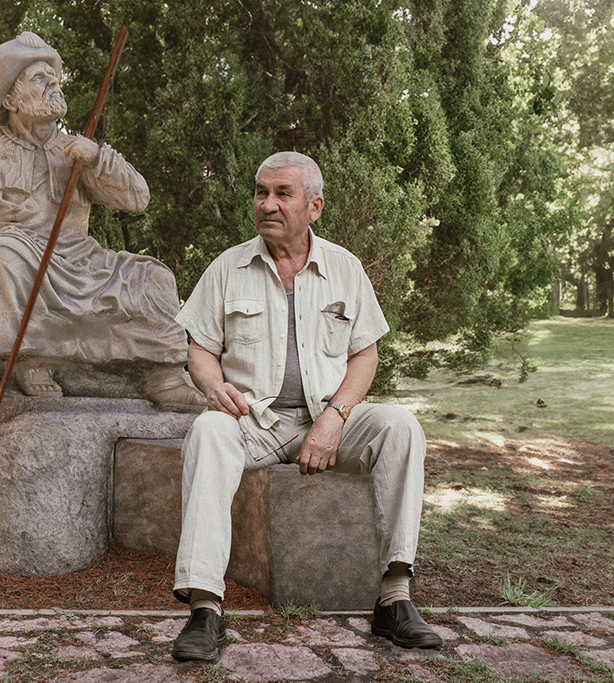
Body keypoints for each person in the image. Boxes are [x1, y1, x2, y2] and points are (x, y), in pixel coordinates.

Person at [170, 151, 442, 661]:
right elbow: (200, 347)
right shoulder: (228, 267)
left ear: (314, 206)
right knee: (206, 432)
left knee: (401, 426)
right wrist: (211, 386)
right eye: (260, 192)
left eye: (282, 194)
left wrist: (336, 417)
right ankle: (205, 608)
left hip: (329, 416)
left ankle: (395, 599)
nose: (268, 204)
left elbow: (366, 352)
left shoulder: (344, 267)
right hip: (251, 419)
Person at [0, 32, 202, 409]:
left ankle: (163, 373)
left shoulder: (76, 149)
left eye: (54, 78)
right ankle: (28, 359)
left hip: (80, 259)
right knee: (2, 254)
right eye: (39, 79)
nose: (53, 83)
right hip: (19, 254)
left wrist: (99, 158)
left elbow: (138, 199)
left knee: (154, 278)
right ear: (10, 98)